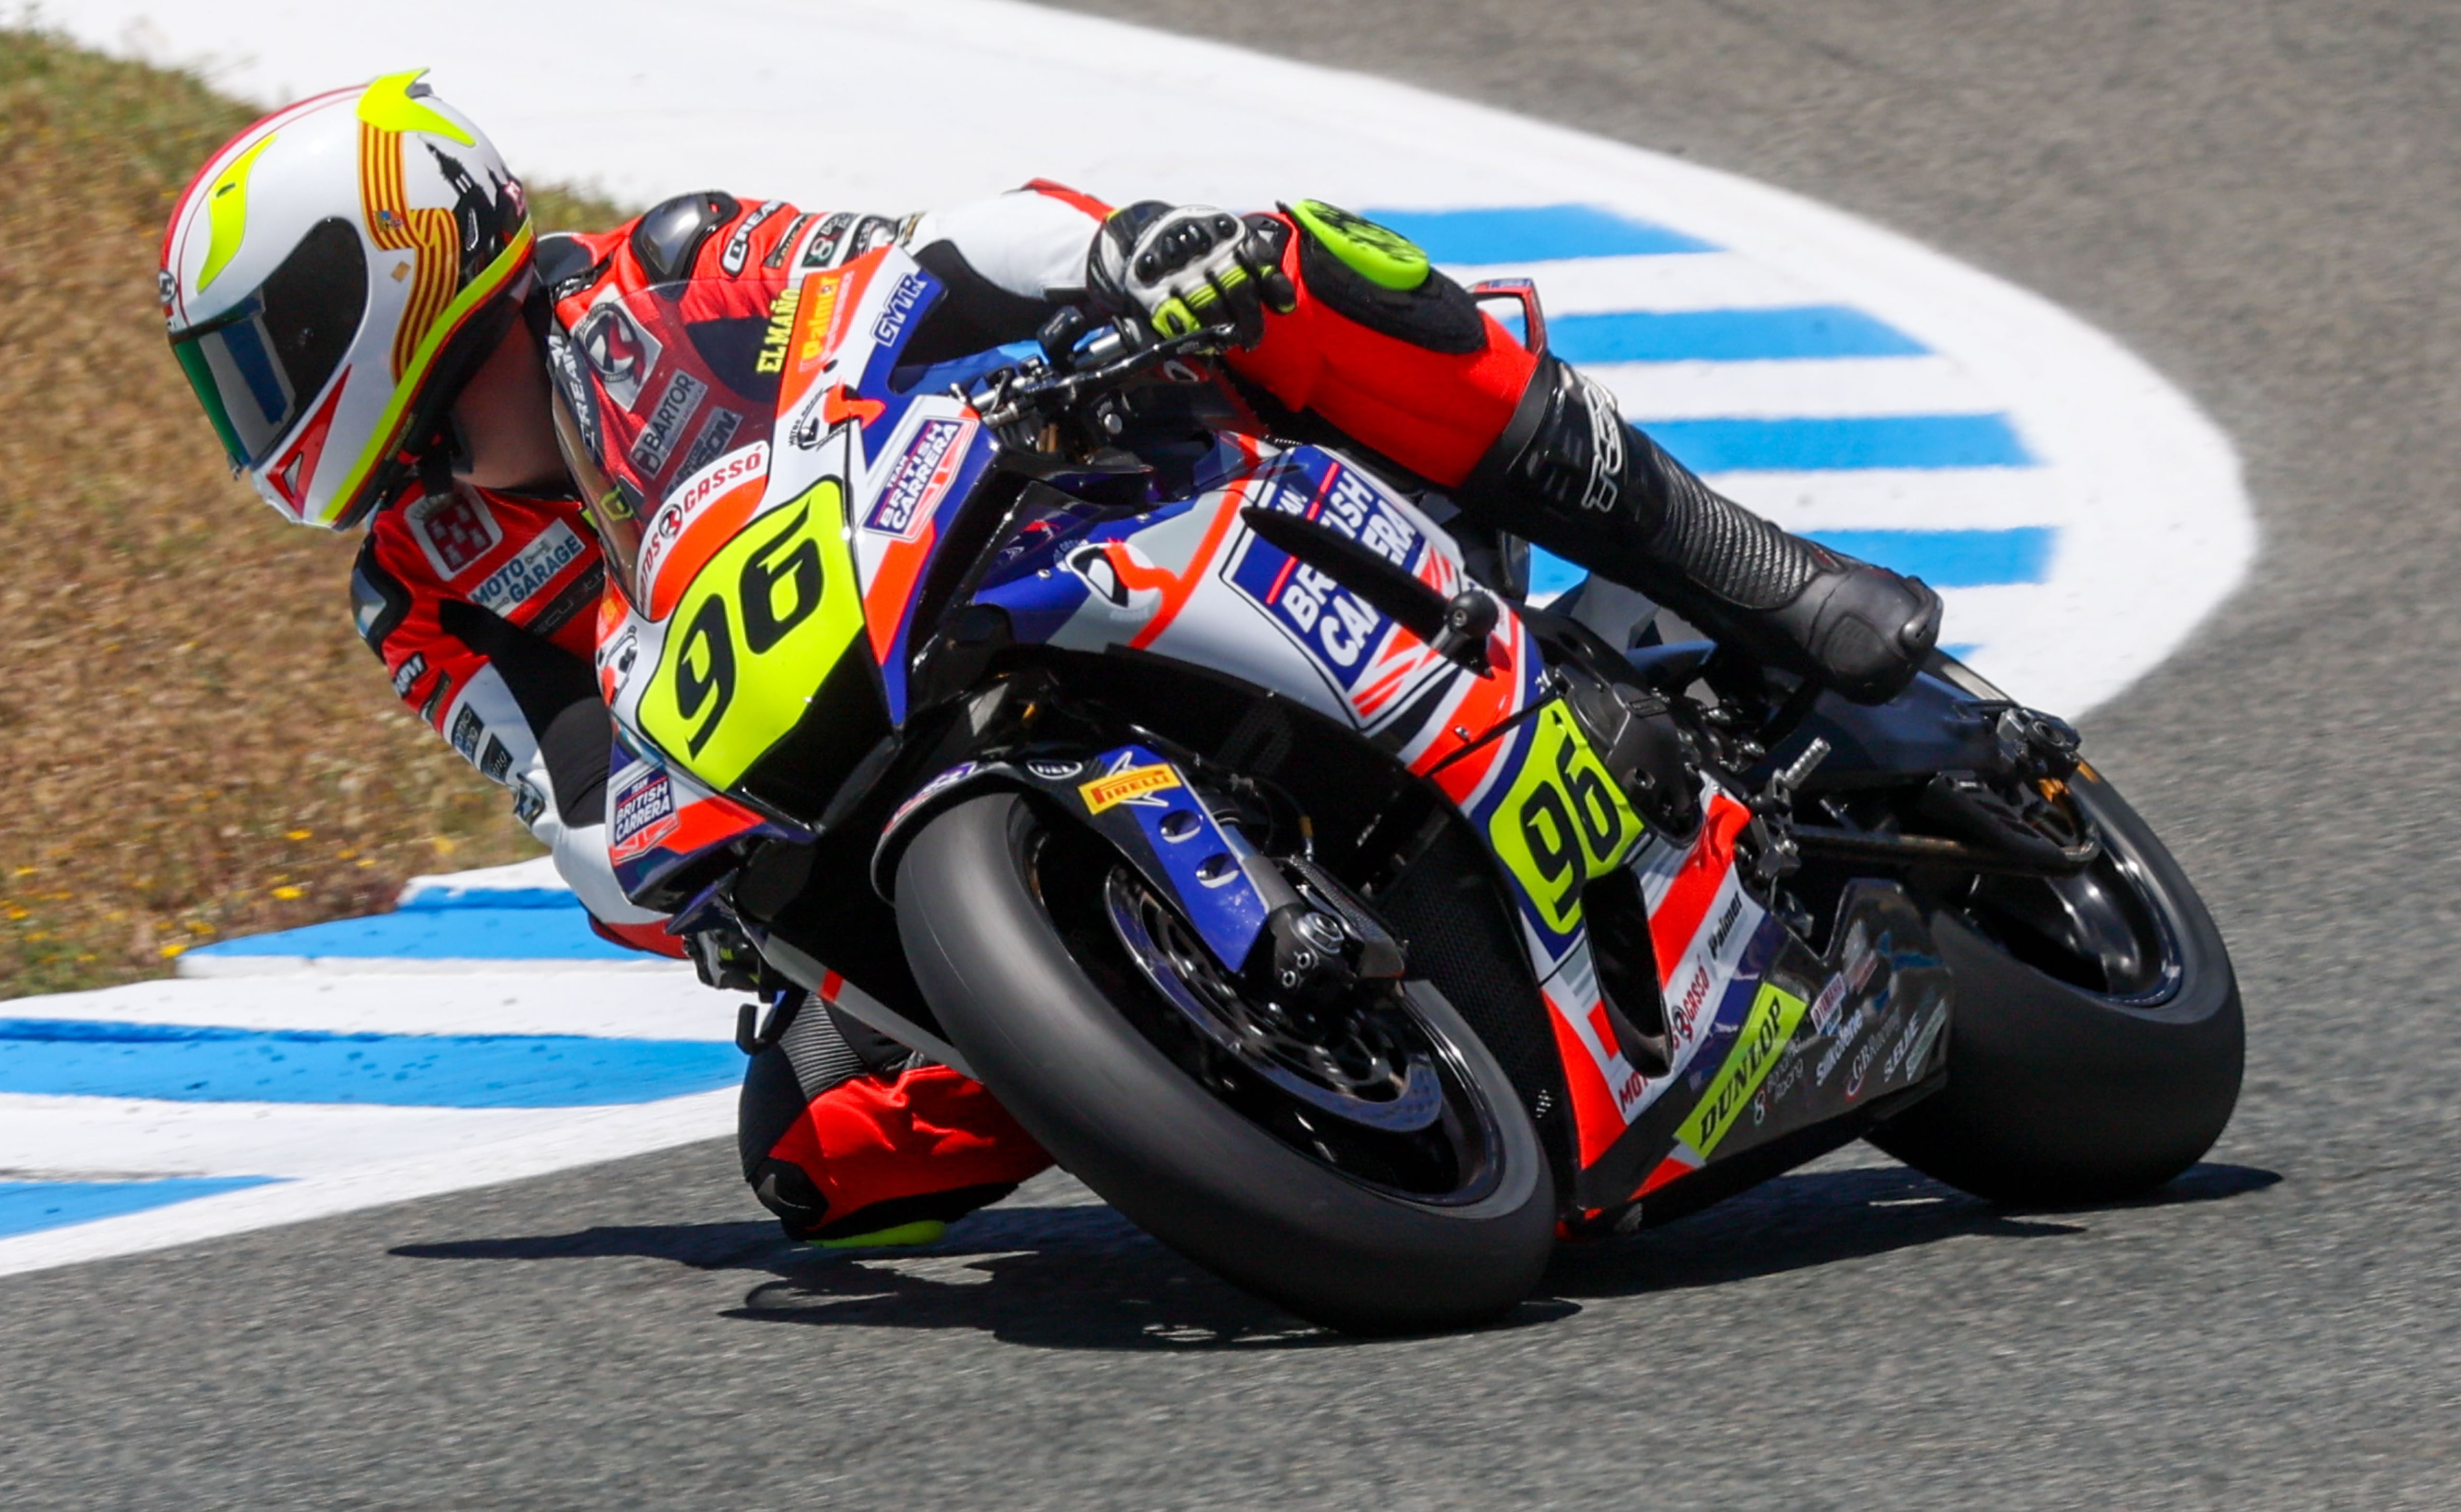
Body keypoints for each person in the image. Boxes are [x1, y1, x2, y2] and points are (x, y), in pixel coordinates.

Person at [161, 71, 1940, 1246]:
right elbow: (567, 782)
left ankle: (1755, 575)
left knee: (1293, 266)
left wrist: (1113, 254)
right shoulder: (422, 588)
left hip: (1054, 517)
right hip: (844, 766)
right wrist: (643, 855)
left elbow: (931, 266)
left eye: (277, 347)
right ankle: (1221, 1060)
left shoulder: (676, 274)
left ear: (396, 264)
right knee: (816, 1156)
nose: (267, 404)